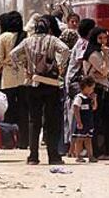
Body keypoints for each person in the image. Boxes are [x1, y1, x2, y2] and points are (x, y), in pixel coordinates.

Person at [11, 16, 70, 165]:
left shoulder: (27, 41)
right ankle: (53, 156)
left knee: (34, 121)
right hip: (50, 83)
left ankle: (33, 157)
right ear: (48, 28)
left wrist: (23, 65)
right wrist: (60, 65)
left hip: (32, 83)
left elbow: (13, 54)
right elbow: (65, 49)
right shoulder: (51, 40)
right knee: (51, 121)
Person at [83, 27, 109, 160]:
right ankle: (96, 152)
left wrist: (103, 70)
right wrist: (105, 57)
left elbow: (107, 72)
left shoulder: (99, 53)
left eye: (105, 38)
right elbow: (105, 72)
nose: (103, 41)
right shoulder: (94, 54)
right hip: (96, 91)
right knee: (96, 123)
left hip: (104, 89)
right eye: (100, 38)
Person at [64, 19, 96, 157]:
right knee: (78, 116)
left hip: (73, 81)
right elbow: (82, 60)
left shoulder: (82, 42)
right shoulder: (83, 43)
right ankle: (74, 150)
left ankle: (73, 149)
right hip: (75, 83)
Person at [0, 11, 28, 149]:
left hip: (8, 78)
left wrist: (6, 61)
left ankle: (9, 141)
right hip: (23, 77)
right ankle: (24, 141)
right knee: (23, 110)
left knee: (9, 109)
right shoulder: (25, 36)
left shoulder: (3, 37)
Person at [73, 76, 98, 163]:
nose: (93, 90)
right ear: (87, 87)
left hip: (89, 122)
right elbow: (76, 109)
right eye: (92, 88)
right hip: (82, 122)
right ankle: (78, 155)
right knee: (80, 139)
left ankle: (90, 156)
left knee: (88, 139)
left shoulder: (89, 98)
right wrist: (78, 121)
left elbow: (94, 108)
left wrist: (94, 100)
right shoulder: (79, 97)